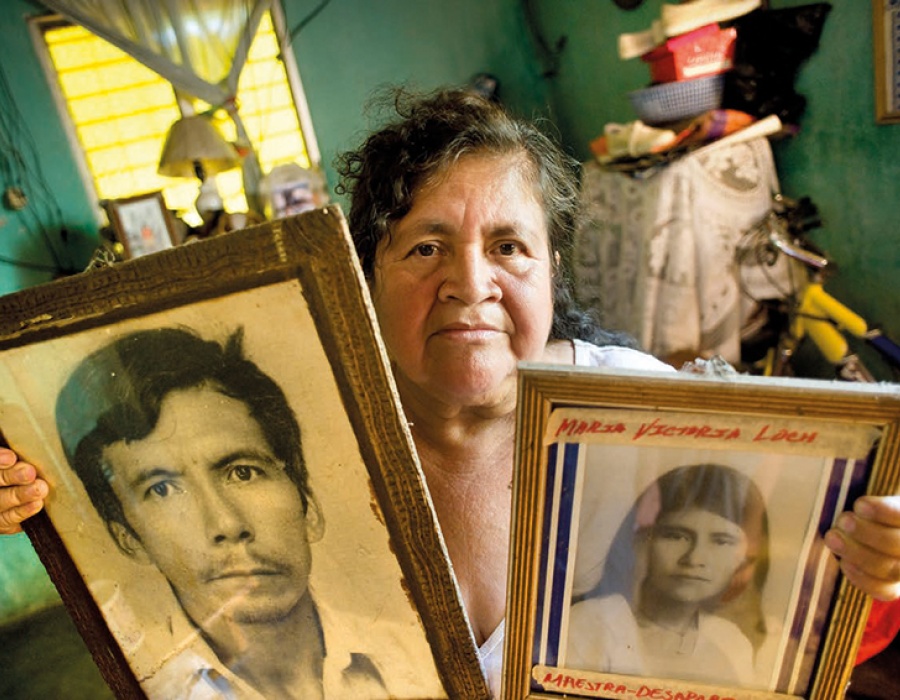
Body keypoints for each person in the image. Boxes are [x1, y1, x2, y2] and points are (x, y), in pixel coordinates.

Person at [2, 87, 899, 696]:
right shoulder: (292, 434)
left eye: (509, 246)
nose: (472, 283)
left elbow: (793, 606)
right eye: (425, 246)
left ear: (551, 273)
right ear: (362, 274)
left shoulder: (655, 421)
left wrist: (877, 558)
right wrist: (25, 486)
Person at [52, 326, 388, 699]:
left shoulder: (417, 654)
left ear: (306, 501)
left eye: (242, 472)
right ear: (130, 539)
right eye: (162, 490)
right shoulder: (138, 690)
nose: (226, 525)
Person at [566, 464, 769, 687]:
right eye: (676, 536)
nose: (695, 559)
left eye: (721, 541)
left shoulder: (731, 642)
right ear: (643, 542)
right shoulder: (588, 626)